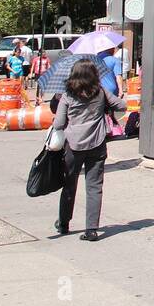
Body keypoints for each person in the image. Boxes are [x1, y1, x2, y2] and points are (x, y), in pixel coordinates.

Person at [50, 59, 122, 241]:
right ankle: (91, 229)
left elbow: (58, 123)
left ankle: (64, 223)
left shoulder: (67, 95)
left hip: (73, 146)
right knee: (95, 186)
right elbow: (122, 106)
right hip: (97, 144)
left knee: (69, 184)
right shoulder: (100, 92)